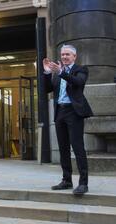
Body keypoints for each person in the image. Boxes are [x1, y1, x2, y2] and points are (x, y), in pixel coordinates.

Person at [43, 45, 94, 195]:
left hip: (74, 112)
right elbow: (47, 89)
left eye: (67, 54)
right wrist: (47, 72)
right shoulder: (58, 72)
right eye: (62, 54)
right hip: (60, 112)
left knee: (78, 148)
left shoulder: (81, 70)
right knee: (63, 148)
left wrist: (61, 72)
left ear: (74, 57)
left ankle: (83, 183)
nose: (64, 57)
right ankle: (67, 180)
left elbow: (78, 83)